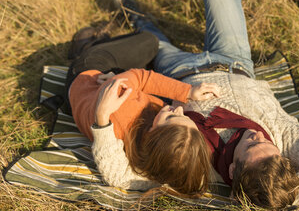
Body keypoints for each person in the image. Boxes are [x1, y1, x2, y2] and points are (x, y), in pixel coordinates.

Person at [116, 0, 299, 209]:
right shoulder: (281, 135)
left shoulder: (199, 164)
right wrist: (280, 195)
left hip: (179, 71)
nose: (258, 136)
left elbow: (127, 176)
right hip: (233, 60)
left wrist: (101, 123)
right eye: (267, 143)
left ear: (233, 168)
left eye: (252, 145)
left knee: (149, 38)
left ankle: (131, 12)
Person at [65, 29, 221, 195]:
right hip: (97, 93)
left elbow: (142, 78)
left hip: (88, 75)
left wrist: (187, 92)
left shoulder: (120, 110)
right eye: (185, 117)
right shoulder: (161, 166)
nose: (180, 109)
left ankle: (88, 46)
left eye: (170, 116)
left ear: (152, 134)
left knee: (149, 41)